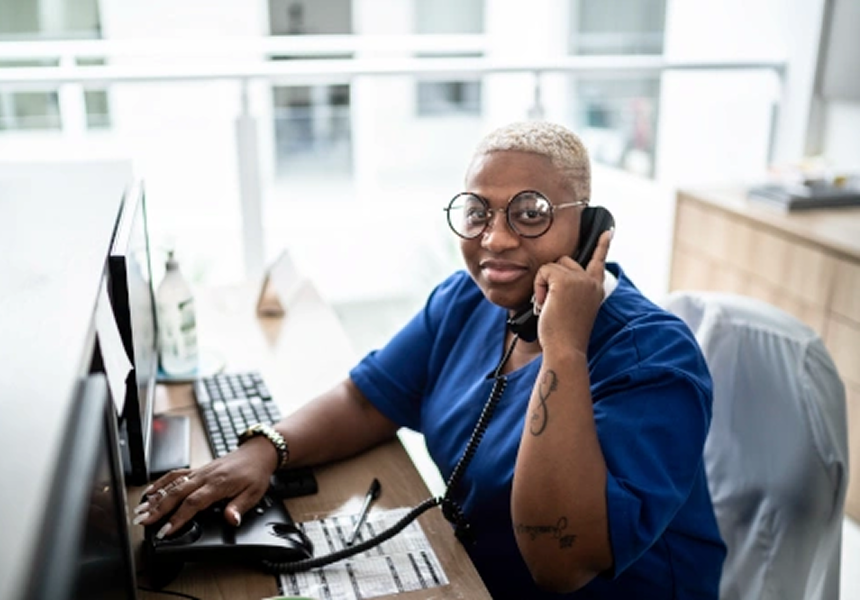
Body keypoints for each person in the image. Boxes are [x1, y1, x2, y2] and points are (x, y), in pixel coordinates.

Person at [135, 121, 726, 597]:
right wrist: (263, 451)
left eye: (530, 212)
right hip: (470, 574)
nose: (494, 238)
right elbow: (368, 399)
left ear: (590, 226)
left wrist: (564, 349)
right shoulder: (469, 299)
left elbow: (559, 565)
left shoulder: (652, 359)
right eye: (477, 211)